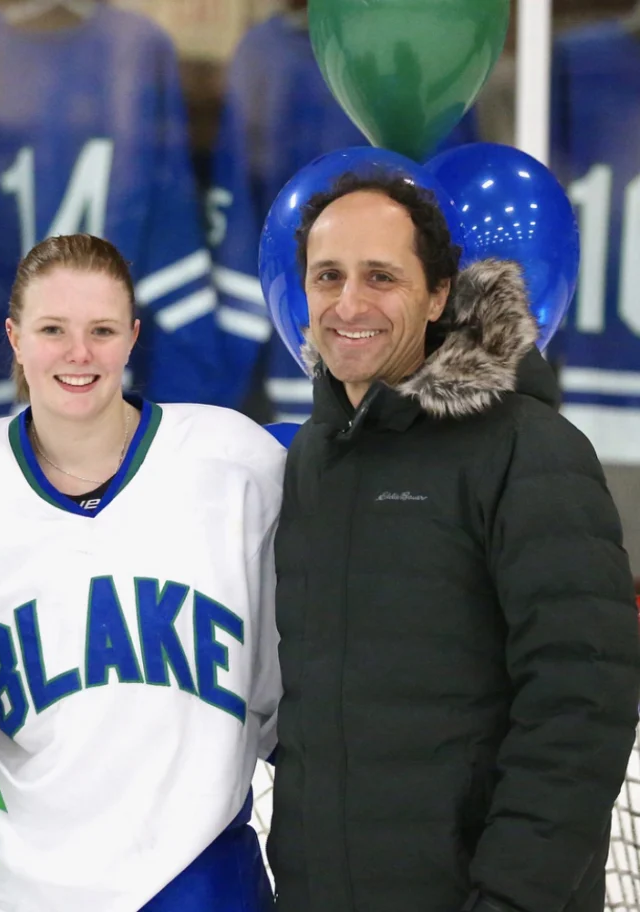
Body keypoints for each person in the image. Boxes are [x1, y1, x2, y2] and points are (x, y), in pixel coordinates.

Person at [270, 171, 640, 912]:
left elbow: (582, 703)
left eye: (382, 276)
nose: (349, 304)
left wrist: (510, 897)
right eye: (327, 276)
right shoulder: (312, 457)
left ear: (439, 293)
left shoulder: (528, 448)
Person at [0, 233, 285, 912]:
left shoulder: (237, 464)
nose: (79, 354)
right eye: (52, 330)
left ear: (132, 337)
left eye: (101, 330)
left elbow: (290, 680)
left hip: (192, 874)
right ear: (14, 338)